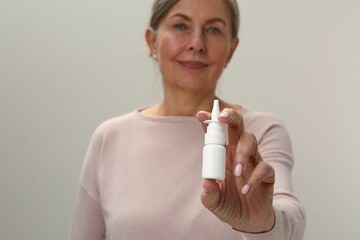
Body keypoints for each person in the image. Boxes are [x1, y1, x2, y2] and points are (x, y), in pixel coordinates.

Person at [69, 0, 306, 239]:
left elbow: (290, 220)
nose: (196, 44)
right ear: (152, 41)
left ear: (230, 51)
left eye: (213, 30)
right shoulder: (110, 137)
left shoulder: (258, 131)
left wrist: (263, 223)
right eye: (181, 26)